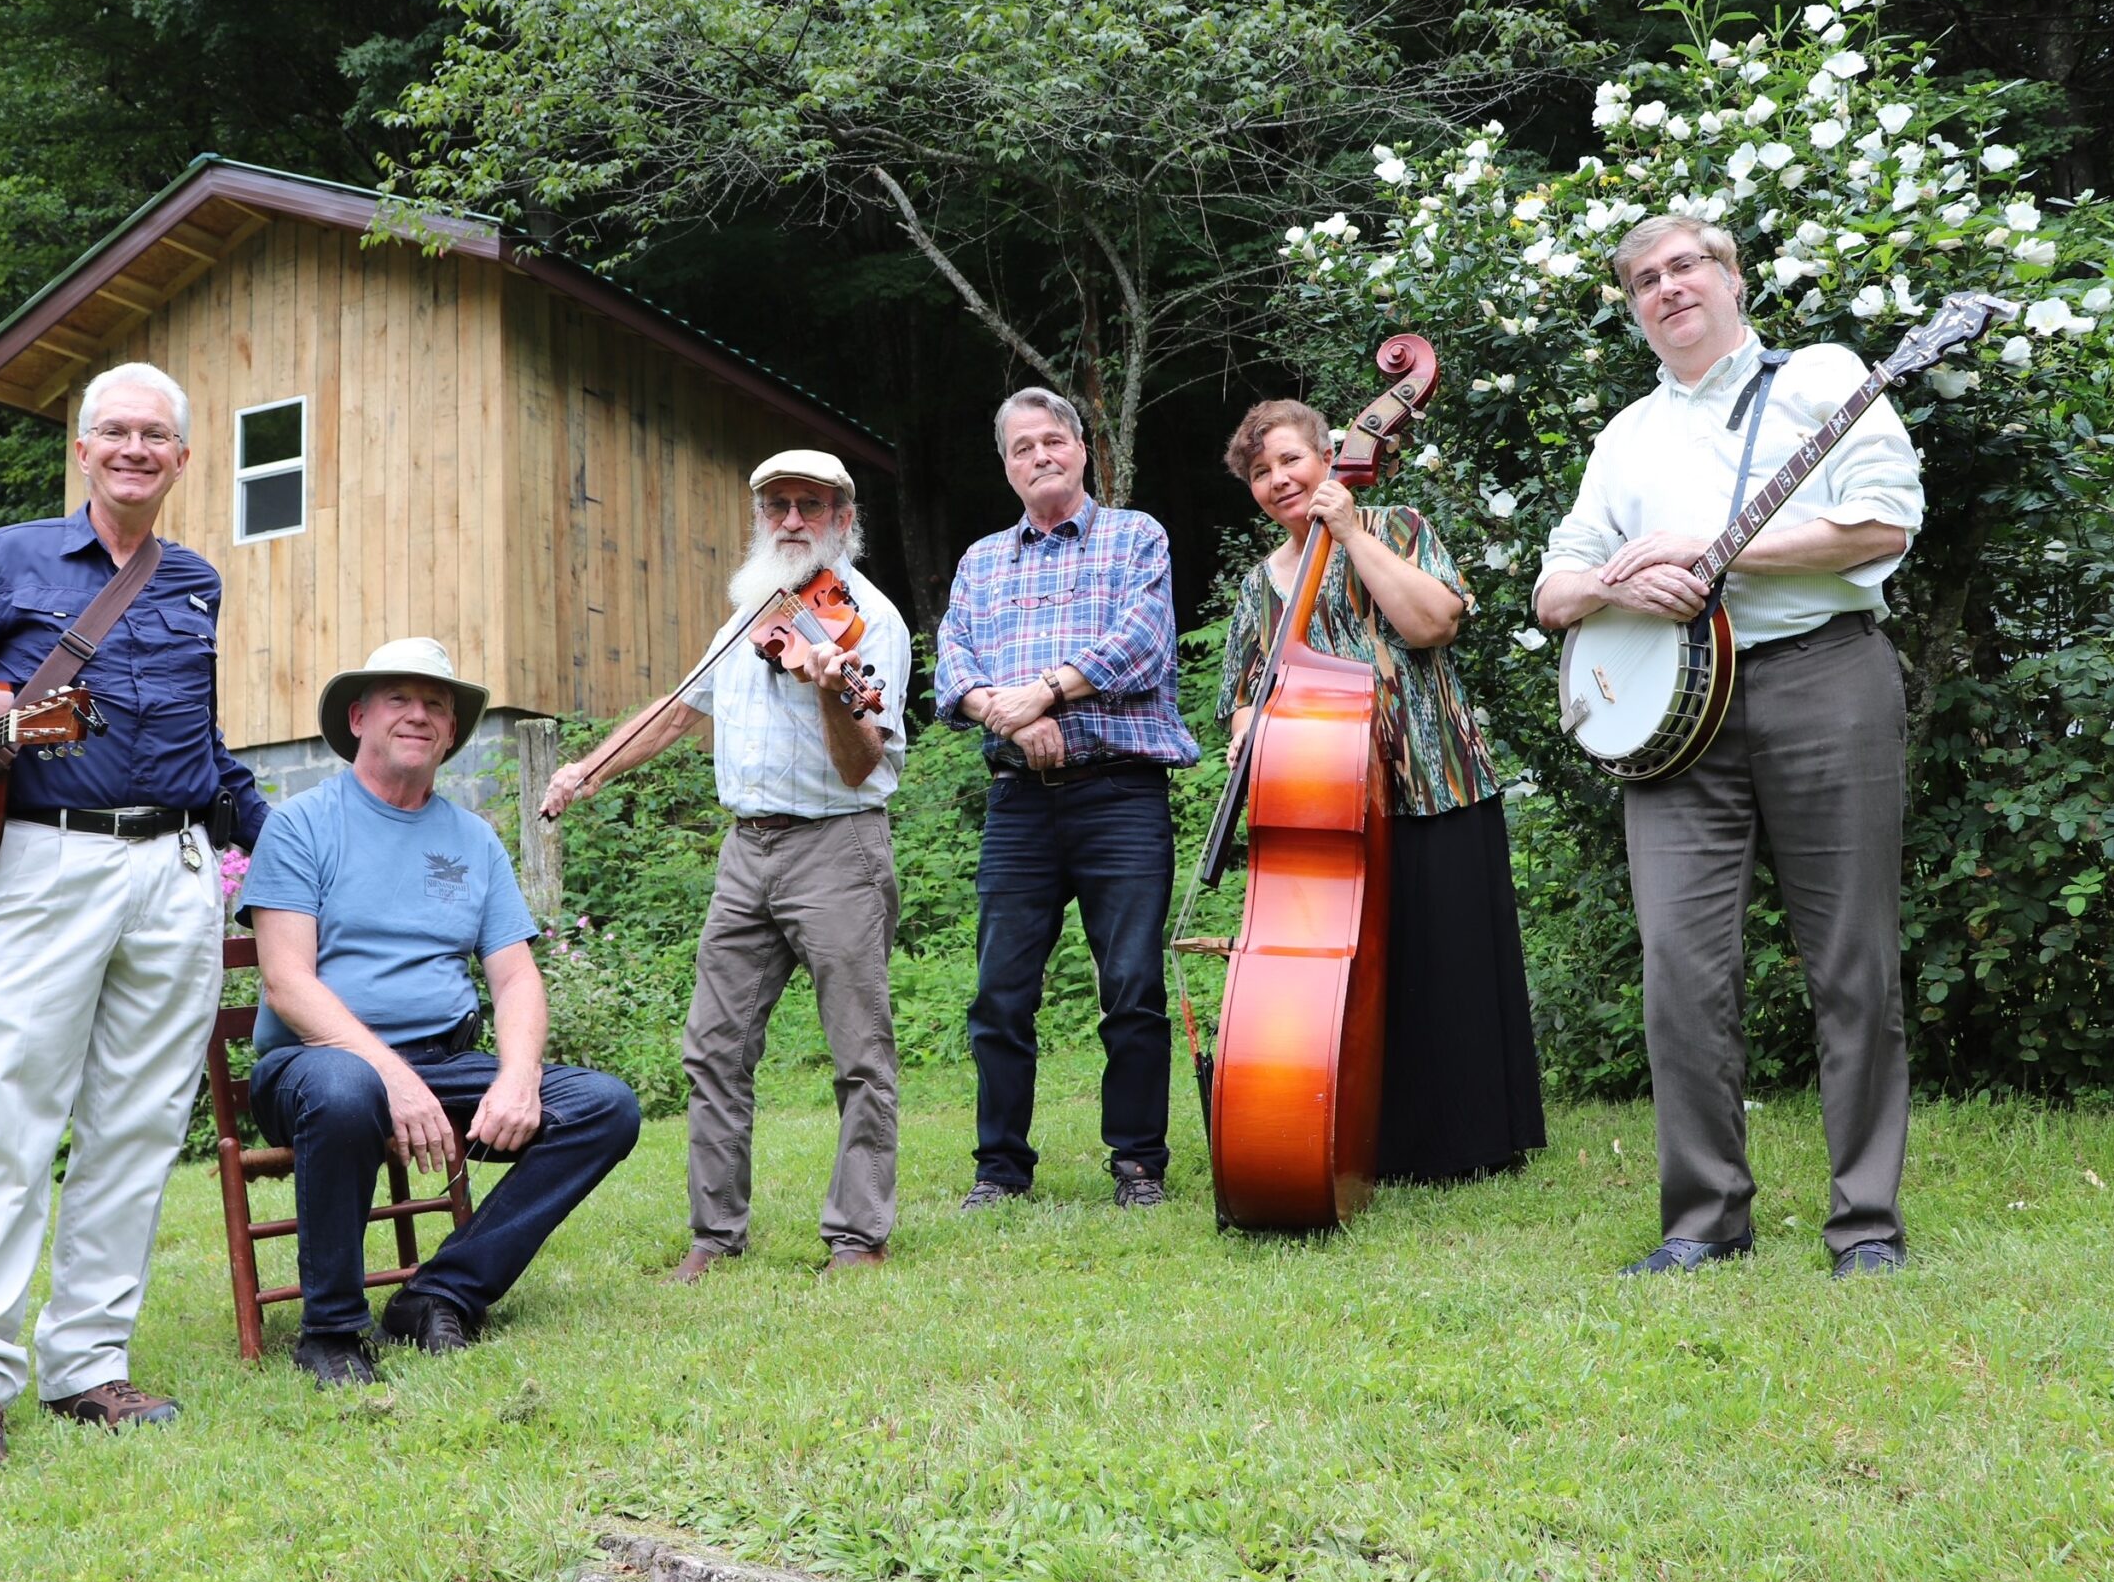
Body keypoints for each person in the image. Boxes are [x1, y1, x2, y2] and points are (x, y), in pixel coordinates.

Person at [0, 361, 270, 1491]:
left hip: (178, 866)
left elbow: (203, 741)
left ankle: (86, 1364)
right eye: (115, 431)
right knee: (13, 1123)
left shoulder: (195, 583)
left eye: (158, 436)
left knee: (138, 1127)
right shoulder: (8, 560)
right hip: (41, 864)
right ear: (84, 449)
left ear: (183, 460)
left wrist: (275, 839)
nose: (136, 448)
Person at [1535, 214, 1923, 1279]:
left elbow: (1884, 523)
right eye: (1645, 279)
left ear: (1733, 279)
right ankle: (1703, 1222)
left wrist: (1719, 555)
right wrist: (1613, 580)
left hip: (1822, 681)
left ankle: (1866, 1225)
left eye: (1687, 265)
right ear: (1633, 310)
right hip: (1672, 722)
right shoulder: (1626, 437)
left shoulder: (1823, 378)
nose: (1668, 287)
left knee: (1852, 963)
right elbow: (1552, 585)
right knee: (1678, 972)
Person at [538, 451, 908, 1280]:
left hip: (836, 846)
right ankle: (714, 1234)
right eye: (776, 505)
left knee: (859, 1051)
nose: (789, 520)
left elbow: (861, 766)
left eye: (809, 506)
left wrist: (827, 689)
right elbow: (677, 710)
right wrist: (588, 770)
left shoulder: (869, 622)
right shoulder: (748, 613)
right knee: (713, 1046)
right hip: (748, 851)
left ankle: (858, 1237)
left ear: (843, 520)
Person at [240, 638, 642, 1385]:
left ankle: (440, 1293)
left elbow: (517, 978)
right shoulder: (301, 825)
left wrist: (519, 1077)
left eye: (436, 705)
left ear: (452, 732)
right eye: (399, 699)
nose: (419, 715)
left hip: (444, 1062)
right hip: (311, 1069)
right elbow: (287, 984)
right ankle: (331, 1331)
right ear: (358, 716)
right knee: (345, 1087)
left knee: (604, 1106)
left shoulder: (474, 839)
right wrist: (389, 1074)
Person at [1213, 400, 1546, 1181]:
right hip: (1330, 804)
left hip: (1437, 778)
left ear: (1332, 456)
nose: (1277, 480)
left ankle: (1476, 1139)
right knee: (1362, 979)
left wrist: (1351, 533)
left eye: (1290, 460)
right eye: (1260, 472)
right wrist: (1241, 733)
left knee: (1452, 961)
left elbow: (1433, 623)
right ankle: (1376, 1142)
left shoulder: (1396, 526)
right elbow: (1242, 693)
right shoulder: (1261, 585)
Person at [934, 387, 1200, 1210]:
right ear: (1007, 466)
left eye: (1054, 440)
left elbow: (1142, 645)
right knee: (1000, 992)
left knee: (1131, 982)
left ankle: (1138, 1164)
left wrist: (1043, 694)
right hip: (1019, 804)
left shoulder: (1135, 536)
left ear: (1082, 451)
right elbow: (952, 665)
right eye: (1022, 447)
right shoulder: (981, 559)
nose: (1041, 456)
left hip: (1120, 793)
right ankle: (1001, 1168)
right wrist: (1008, 718)